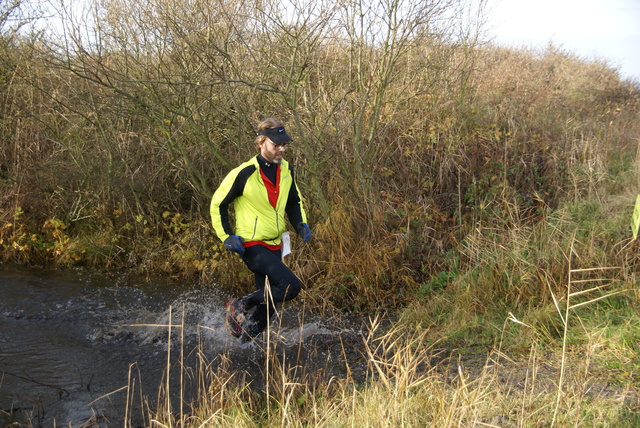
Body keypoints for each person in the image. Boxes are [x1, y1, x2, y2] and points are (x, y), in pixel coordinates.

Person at [210, 118, 311, 341]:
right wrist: (226, 236)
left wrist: (300, 225)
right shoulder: (244, 173)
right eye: (276, 145)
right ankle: (240, 303)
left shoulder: (286, 170)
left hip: (276, 243)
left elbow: (294, 202)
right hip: (252, 244)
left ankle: (244, 343)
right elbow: (218, 204)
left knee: (270, 305)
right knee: (289, 286)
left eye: (284, 144)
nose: (282, 149)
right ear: (261, 143)